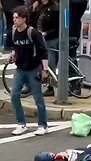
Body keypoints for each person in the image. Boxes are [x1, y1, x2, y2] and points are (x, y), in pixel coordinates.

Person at [9, 6, 50, 136]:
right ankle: (21, 124)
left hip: (33, 69)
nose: (14, 20)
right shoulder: (14, 31)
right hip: (20, 69)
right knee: (14, 95)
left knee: (38, 98)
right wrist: (13, 54)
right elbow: (15, 46)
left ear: (24, 19)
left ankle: (43, 125)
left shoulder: (33, 33)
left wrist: (45, 70)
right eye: (14, 18)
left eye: (17, 18)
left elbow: (43, 52)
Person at [29, 0, 59, 97]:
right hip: (39, 39)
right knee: (35, 61)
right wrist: (33, 10)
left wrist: (46, 33)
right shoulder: (39, 7)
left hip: (50, 39)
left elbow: (57, 27)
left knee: (50, 63)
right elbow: (32, 22)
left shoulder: (55, 8)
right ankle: (31, 84)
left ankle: (51, 87)